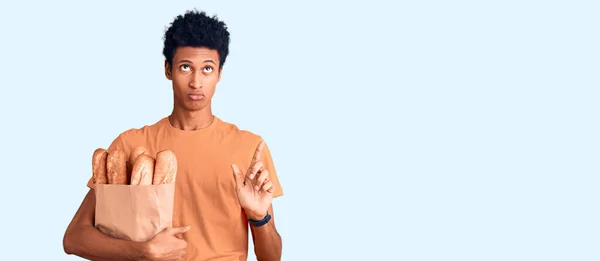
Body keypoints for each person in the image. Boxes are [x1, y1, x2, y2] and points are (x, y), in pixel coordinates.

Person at [63, 9, 284, 261]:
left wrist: (259, 216)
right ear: (168, 69)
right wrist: (142, 252)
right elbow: (74, 238)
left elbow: (272, 257)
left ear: (220, 73)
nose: (196, 82)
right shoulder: (131, 145)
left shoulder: (249, 147)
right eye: (186, 67)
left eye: (208, 69)